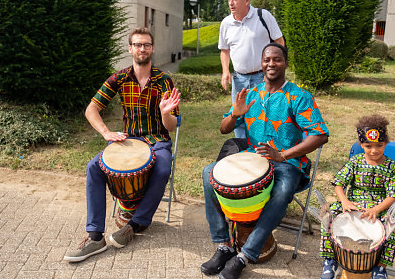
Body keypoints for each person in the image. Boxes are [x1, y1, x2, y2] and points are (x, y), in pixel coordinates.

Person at [201, 43, 329, 279]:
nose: (271, 64)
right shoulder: (250, 94)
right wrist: (235, 114)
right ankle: (224, 245)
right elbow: (223, 129)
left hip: (288, 163)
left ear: (286, 63)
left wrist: (283, 155)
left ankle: (244, 255)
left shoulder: (298, 96)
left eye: (277, 59)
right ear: (261, 64)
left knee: (280, 193)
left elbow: (320, 134)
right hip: (252, 160)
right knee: (209, 174)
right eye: (267, 59)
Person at [64, 27, 181, 262]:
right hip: (128, 141)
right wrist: (106, 132)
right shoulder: (119, 78)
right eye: (137, 44)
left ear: (152, 48)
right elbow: (91, 109)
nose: (142, 48)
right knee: (93, 167)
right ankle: (95, 236)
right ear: (130, 49)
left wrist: (165, 113)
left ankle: (135, 225)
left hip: (157, 141)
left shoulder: (164, 81)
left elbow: (170, 126)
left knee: (162, 168)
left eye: (146, 44)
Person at [319, 115, 395, 279]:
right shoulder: (355, 161)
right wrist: (344, 201)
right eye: (368, 146)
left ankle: (380, 267)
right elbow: (339, 183)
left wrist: (377, 209)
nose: (374, 150)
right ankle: (329, 261)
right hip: (353, 204)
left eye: (379, 145)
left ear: (386, 143)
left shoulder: (392, 167)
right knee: (326, 216)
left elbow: (394, 194)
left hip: (379, 207)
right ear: (361, 145)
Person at [219, 0, 284, 138]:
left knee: (265, 113)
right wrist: (225, 71)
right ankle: (242, 149)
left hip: (262, 76)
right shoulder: (226, 23)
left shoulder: (263, 16)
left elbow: (279, 42)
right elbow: (224, 50)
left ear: (246, 0)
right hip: (239, 78)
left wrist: (272, 71)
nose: (231, 3)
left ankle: (265, 149)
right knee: (238, 114)